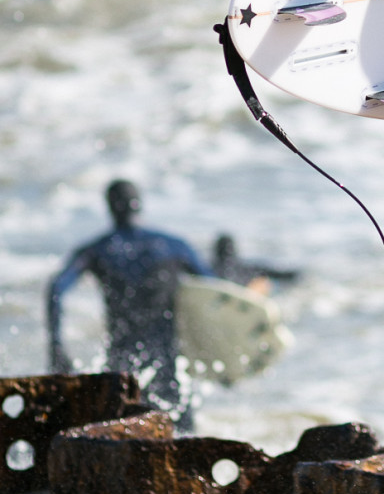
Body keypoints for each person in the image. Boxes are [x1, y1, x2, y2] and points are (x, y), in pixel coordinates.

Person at [47, 179, 213, 430]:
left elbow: (56, 289)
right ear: (139, 205)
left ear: (110, 208)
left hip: (121, 366)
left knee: (117, 431)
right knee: (182, 434)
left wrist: (56, 344)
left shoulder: (97, 250)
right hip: (168, 365)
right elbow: (216, 291)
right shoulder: (174, 246)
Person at [210, 233, 299, 295]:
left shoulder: (210, 267)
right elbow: (278, 274)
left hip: (217, 289)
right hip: (242, 293)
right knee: (264, 281)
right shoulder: (247, 267)